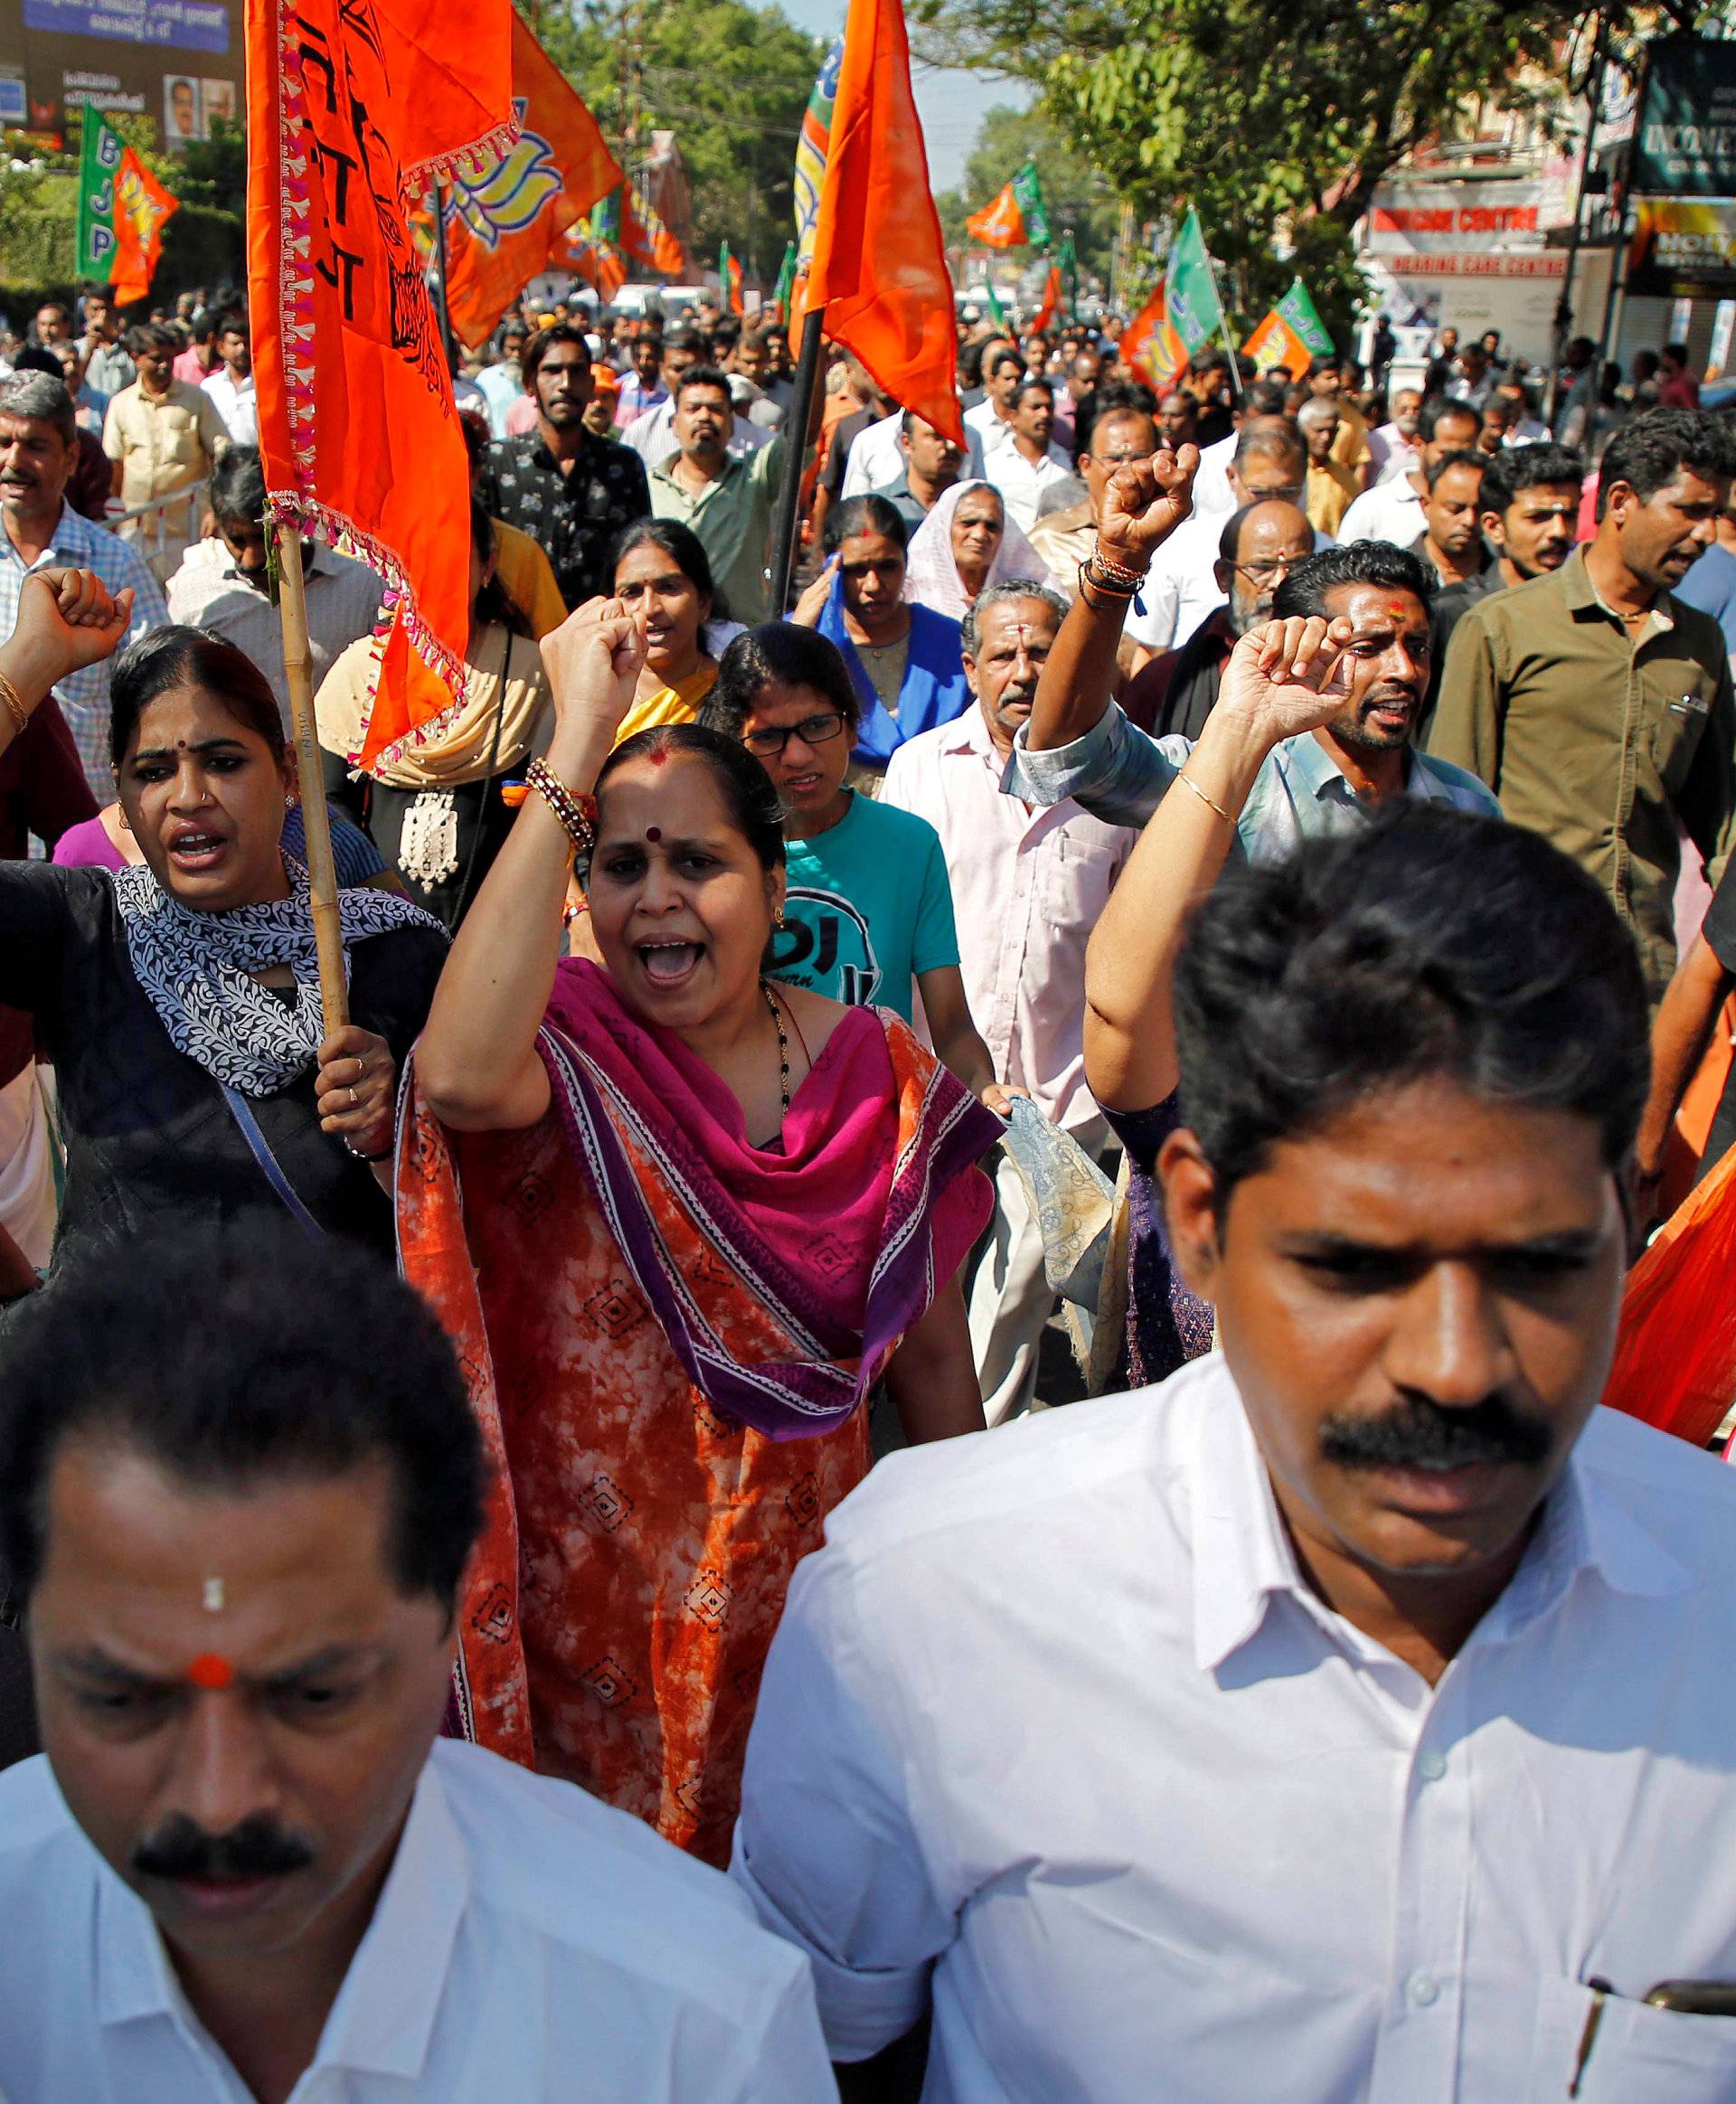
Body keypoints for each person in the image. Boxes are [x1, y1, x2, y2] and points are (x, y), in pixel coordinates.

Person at [731, 761, 1736, 2099]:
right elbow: (817, 2052)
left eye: (1540, 1264)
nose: (1453, 1364)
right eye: (1356, 1266)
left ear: (1626, 1210)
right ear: (1198, 1222)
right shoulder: (924, 1607)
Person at [402, 599, 998, 1868]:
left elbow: (937, 1371)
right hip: (590, 1643)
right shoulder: (559, 1040)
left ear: (776, 886)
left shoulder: (877, 1069)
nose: (658, 898)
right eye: (622, 865)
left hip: (804, 1633)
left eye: (700, 863)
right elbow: (453, 1077)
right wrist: (576, 747)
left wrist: (973, 1592)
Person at [0, 1223, 836, 2102]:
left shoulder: (692, 2026)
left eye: (313, 1693)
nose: (218, 1798)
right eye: (120, 1697)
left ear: (448, 1622)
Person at [0, 573, 446, 1269]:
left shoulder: (395, 950)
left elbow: (493, 1212)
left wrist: (402, 1136)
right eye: (151, 772)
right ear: (119, 793)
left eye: (224, 761)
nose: (188, 797)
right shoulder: (83, 929)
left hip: (343, 1367)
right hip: (115, 1368)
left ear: (290, 773)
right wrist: (29, 663)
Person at [882, 582, 1138, 1420]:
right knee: (927, 1299)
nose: (1025, 671)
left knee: (1010, 1309)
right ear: (969, 666)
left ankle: (967, 1473)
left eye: (1044, 651)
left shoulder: (1124, 782)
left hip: (1062, 1104)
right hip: (933, 1089)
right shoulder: (922, 769)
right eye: (1005, 653)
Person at [1012, 461, 1500, 846]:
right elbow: (1070, 750)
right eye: (1368, 647)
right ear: (1307, 651)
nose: (1404, 670)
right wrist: (1115, 571)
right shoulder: (1235, 786)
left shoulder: (1465, 806)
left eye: (1418, 647)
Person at [1429, 407, 1736, 999]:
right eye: (1689, 510)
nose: (1705, 534)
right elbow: (1453, 818)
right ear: (1621, 501)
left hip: (1638, 983)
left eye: (1715, 514)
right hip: (1516, 974)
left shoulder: (1699, 644)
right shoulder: (1500, 628)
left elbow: (1722, 825)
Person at [700, 624, 998, 1103]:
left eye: (818, 725)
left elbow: (952, 1026)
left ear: (853, 725)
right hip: (738, 1128)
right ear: (736, 745)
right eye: (770, 737)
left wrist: (983, 1090)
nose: (797, 755)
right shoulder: (705, 851)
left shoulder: (909, 846)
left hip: (872, 1131)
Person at [319, 506, 552, 929]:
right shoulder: (359, 673)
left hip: (505, 930)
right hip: (380, 930)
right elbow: (329, 802)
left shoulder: (533, 675)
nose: (435, 571)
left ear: (488, 565)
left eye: (452, 555)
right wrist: (377, 896)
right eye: (418, 556)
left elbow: (557, 804)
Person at [1, 372, 166, 797]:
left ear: (72, 458)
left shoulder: (114, 563)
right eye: (4, 443)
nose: (14, 461)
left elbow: (158, 687)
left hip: (84, 822)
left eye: (35, 446)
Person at [166, 447, 383, 726]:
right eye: (237, 540)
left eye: (264, 539)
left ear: (298, 520)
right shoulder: (194, 596)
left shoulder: (362, 589)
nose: (251, 558)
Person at [789, 494, 970, 775]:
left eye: (887, 566)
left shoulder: (950, 642)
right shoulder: (802, 639)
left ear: (906, 562)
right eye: (856, 571)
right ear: (831, 570)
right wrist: (796, 636)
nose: (873, 585)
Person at [478, 326, 650, 611]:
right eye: (552, 371)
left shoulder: (622, 465)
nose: (566, 384)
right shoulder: (496, 462)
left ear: (591, 383)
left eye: (577, 371)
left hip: (601, 636)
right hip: (519, 638)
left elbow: (641, 558)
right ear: (530, 384)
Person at [1119, 497, 1314, 739]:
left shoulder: (1338, 673)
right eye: (1262, 568)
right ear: (1223, 576)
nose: (1280, 582)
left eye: (1298, 567)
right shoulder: (1162, 680)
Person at [648, 367, 795, 626]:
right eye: (693, 409)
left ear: (732, 424)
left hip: (741, 645)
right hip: (667, 642)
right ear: (674, 424)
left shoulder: (757, 476)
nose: (705, 417)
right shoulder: (648, 486)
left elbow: (803, 436)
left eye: (716, 409)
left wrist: (816, 354)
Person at [1024, 382, 1159, 585]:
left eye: (1139, 459)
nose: (1127, 472)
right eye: (1114, 459)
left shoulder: (1179, 534)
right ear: (1086, 465)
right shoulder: (1048, 539)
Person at [608, 517, 726, 744]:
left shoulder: (732, 695)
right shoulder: (594, 694)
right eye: (632, 592)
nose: (650, 608)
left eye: (668, 588)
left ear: (703, 603)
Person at [101, 324, 228, 523]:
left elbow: (221, 455)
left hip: (187, 525)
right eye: (156, 359)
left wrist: (216, 510)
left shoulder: (197, 400)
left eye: (169, 358)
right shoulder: (121, 403)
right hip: (136, 524)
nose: (165, 366)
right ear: (136, 358)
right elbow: (114, 463)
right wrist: (115, 511)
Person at [1336, 394, 1482, 550]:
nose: (1455, 463)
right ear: (1419, 445)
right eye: (1445, 454)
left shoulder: (1484, 509)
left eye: (1466, 454)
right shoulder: (1373, 507)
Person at [902, 479, 1052, 623]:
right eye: (968, 523)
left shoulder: (1030, 597)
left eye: (991, 526)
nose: (979, 535)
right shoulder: (910, 592)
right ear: (944, 528)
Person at [983, 377, 1072, 534]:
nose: (1044, 414)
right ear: (1013, 416)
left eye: (1049, 407)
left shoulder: (1067, 463)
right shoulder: (993, 465)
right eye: (1035, 407)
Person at [871, 411, 964, 530]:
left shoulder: (980, 508)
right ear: (907, 443)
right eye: (937, 436)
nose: (952, 445)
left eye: (957, 435)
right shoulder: (875, 507)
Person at [1413, 448, 1489, 586]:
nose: (1469, 520)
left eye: (1479, 510)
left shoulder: (1506, 576)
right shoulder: (1398, 576)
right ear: (1426, 505)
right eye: (1455, 510)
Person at [1297, 396, 1357, 535]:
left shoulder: (1346, 479)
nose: (1326, 437)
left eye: (1331, 431)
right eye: (1319, 430)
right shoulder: (1290, 472)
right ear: (1302, 429)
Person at [200, 311, 256, 447]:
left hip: (256, 462)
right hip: (220, 462)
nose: (242, 349)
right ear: (220, 348)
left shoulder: (266, 386)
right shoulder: (209, 387)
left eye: (246, 343)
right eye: (235, 343)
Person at [476, 317, 531, 438]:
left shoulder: (535, 378)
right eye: (511, 349)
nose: (516, 355)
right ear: (502, 348)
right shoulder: (486, 379)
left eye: (521, 349)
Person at [75, 291, 134, 399]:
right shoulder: (76, 348)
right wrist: (89, 350)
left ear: (115, 311)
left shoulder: (128, 346)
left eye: (107, 309)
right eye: (95, 309)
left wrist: (113, 336)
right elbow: (74, 382)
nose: (102, 315)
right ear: (86, 311)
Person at [1366, 382, 1422, 483]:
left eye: (1416, 409)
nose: (1410, 413)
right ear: (1392, 409)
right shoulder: (1376, 439)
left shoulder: (1429, 440)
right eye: (1404, 409)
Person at [615, 327, 668, 429]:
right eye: (638, 356)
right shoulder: (621, 387)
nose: (642, 363)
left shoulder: (668, 393)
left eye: (649, 358)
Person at [1658, 341, 1702, 411]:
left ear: (1673, 361)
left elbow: (1692, 410)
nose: (1661, 361)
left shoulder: (1686, 382)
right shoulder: (1669, 380)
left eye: (1664, 357)